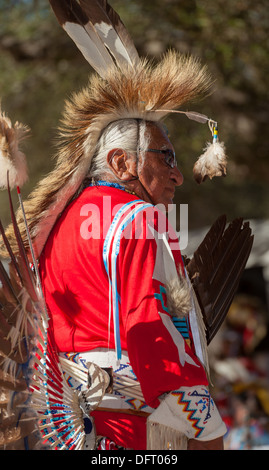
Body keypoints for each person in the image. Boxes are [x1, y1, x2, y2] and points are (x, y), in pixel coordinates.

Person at [38, 118, 226, 450]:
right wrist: (204, 421)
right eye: (166, 157)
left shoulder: (57, 221)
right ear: (122, 163)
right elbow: (148, 325)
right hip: (132, 422)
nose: (178, 175)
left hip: (64, 422)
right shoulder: (139, 217)